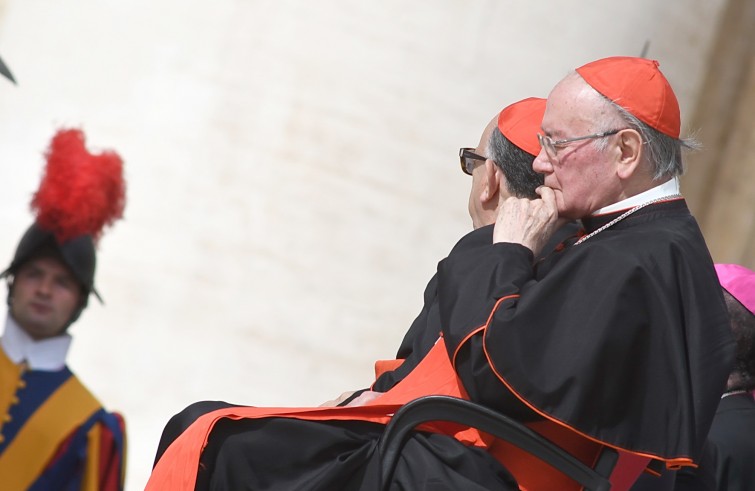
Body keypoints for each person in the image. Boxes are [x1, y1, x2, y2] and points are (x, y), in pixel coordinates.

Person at [149, 56, 734, 491]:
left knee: (219, 445)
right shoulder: (644, 243)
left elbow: (494, 369)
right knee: (216, 431)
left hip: (482, 474)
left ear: (626, 152)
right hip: (476, 458)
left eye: (556, 144)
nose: (538, 163)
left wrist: (503, 251)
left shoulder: (635, 257)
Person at [148, 97, 573, 491]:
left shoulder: (486, 253)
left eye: (472, 163)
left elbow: (475, 371)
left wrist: (371, 402)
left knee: (208, 437)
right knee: (206, 425)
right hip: (447, 447)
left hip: (440, 458)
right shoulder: (571, 261)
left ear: (491, 181)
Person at [0, 129, 127, 490]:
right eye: (34, 274)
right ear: (13, 281)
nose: (43, 289)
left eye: (61, 282)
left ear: (79, 301)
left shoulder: (92, 427)